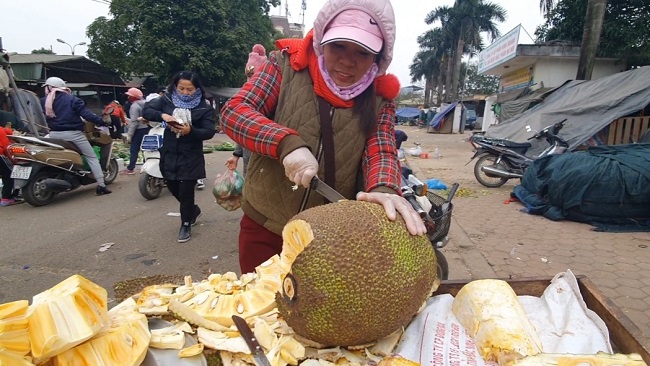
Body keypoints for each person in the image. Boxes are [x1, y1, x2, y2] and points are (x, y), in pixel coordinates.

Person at [220, 0, 427, 274]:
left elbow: (381, 152)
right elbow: (235, 112)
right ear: (321, 41)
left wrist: (384, 190)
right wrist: (285, 143)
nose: (347, 60)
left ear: (378, 58)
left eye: (362, 52)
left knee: (318, 312)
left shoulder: (380, 100)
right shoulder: (284, 66)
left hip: (329, 237)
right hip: (265, 224)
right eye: (338, 45)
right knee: (260, 308)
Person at [142, 71, 215, 243]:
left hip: (190, 154)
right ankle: (193, 210)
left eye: (189, 89)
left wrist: (191, 131)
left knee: (186, 190)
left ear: (197, 89)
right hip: (169, 151)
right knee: (172, 185)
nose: (185, 92)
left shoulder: (203, 107)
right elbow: (147, 111)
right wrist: (163, 115)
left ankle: (186, 223)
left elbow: (209, 131)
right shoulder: (166, 100)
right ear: (175, 87)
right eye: (181, 88)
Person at [40, 77, 112, 195]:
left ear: (50, 87)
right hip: (73, 134)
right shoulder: (73, 99)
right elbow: (87, 115)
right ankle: (101, 185)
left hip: (53, 134)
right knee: (92, 157)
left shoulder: (44, 101)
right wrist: (101, 121)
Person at [225, 44, 268, 176]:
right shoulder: (246, 100)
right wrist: (236, 155)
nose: (250, 80)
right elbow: (243, 130)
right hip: (248, 164)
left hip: (267, 163)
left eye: (254, 76)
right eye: (248, 76)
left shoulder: (272, 100)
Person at [125, 88, 149, 175]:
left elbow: (134, 122)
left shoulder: (134, 106)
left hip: (138, 130)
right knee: (146, 149)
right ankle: (146, 166)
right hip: (147, 128)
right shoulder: (146, 104)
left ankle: (130, 168)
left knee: (134, 149)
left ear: (133, 97)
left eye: (129, 96)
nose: (128, 97)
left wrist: (129, 135)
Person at [0, 121, 24, 206]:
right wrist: (14, 161)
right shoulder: (1, 131)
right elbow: (7, 148)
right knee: (10, 174)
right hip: (0, 156)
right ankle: (6, 198)